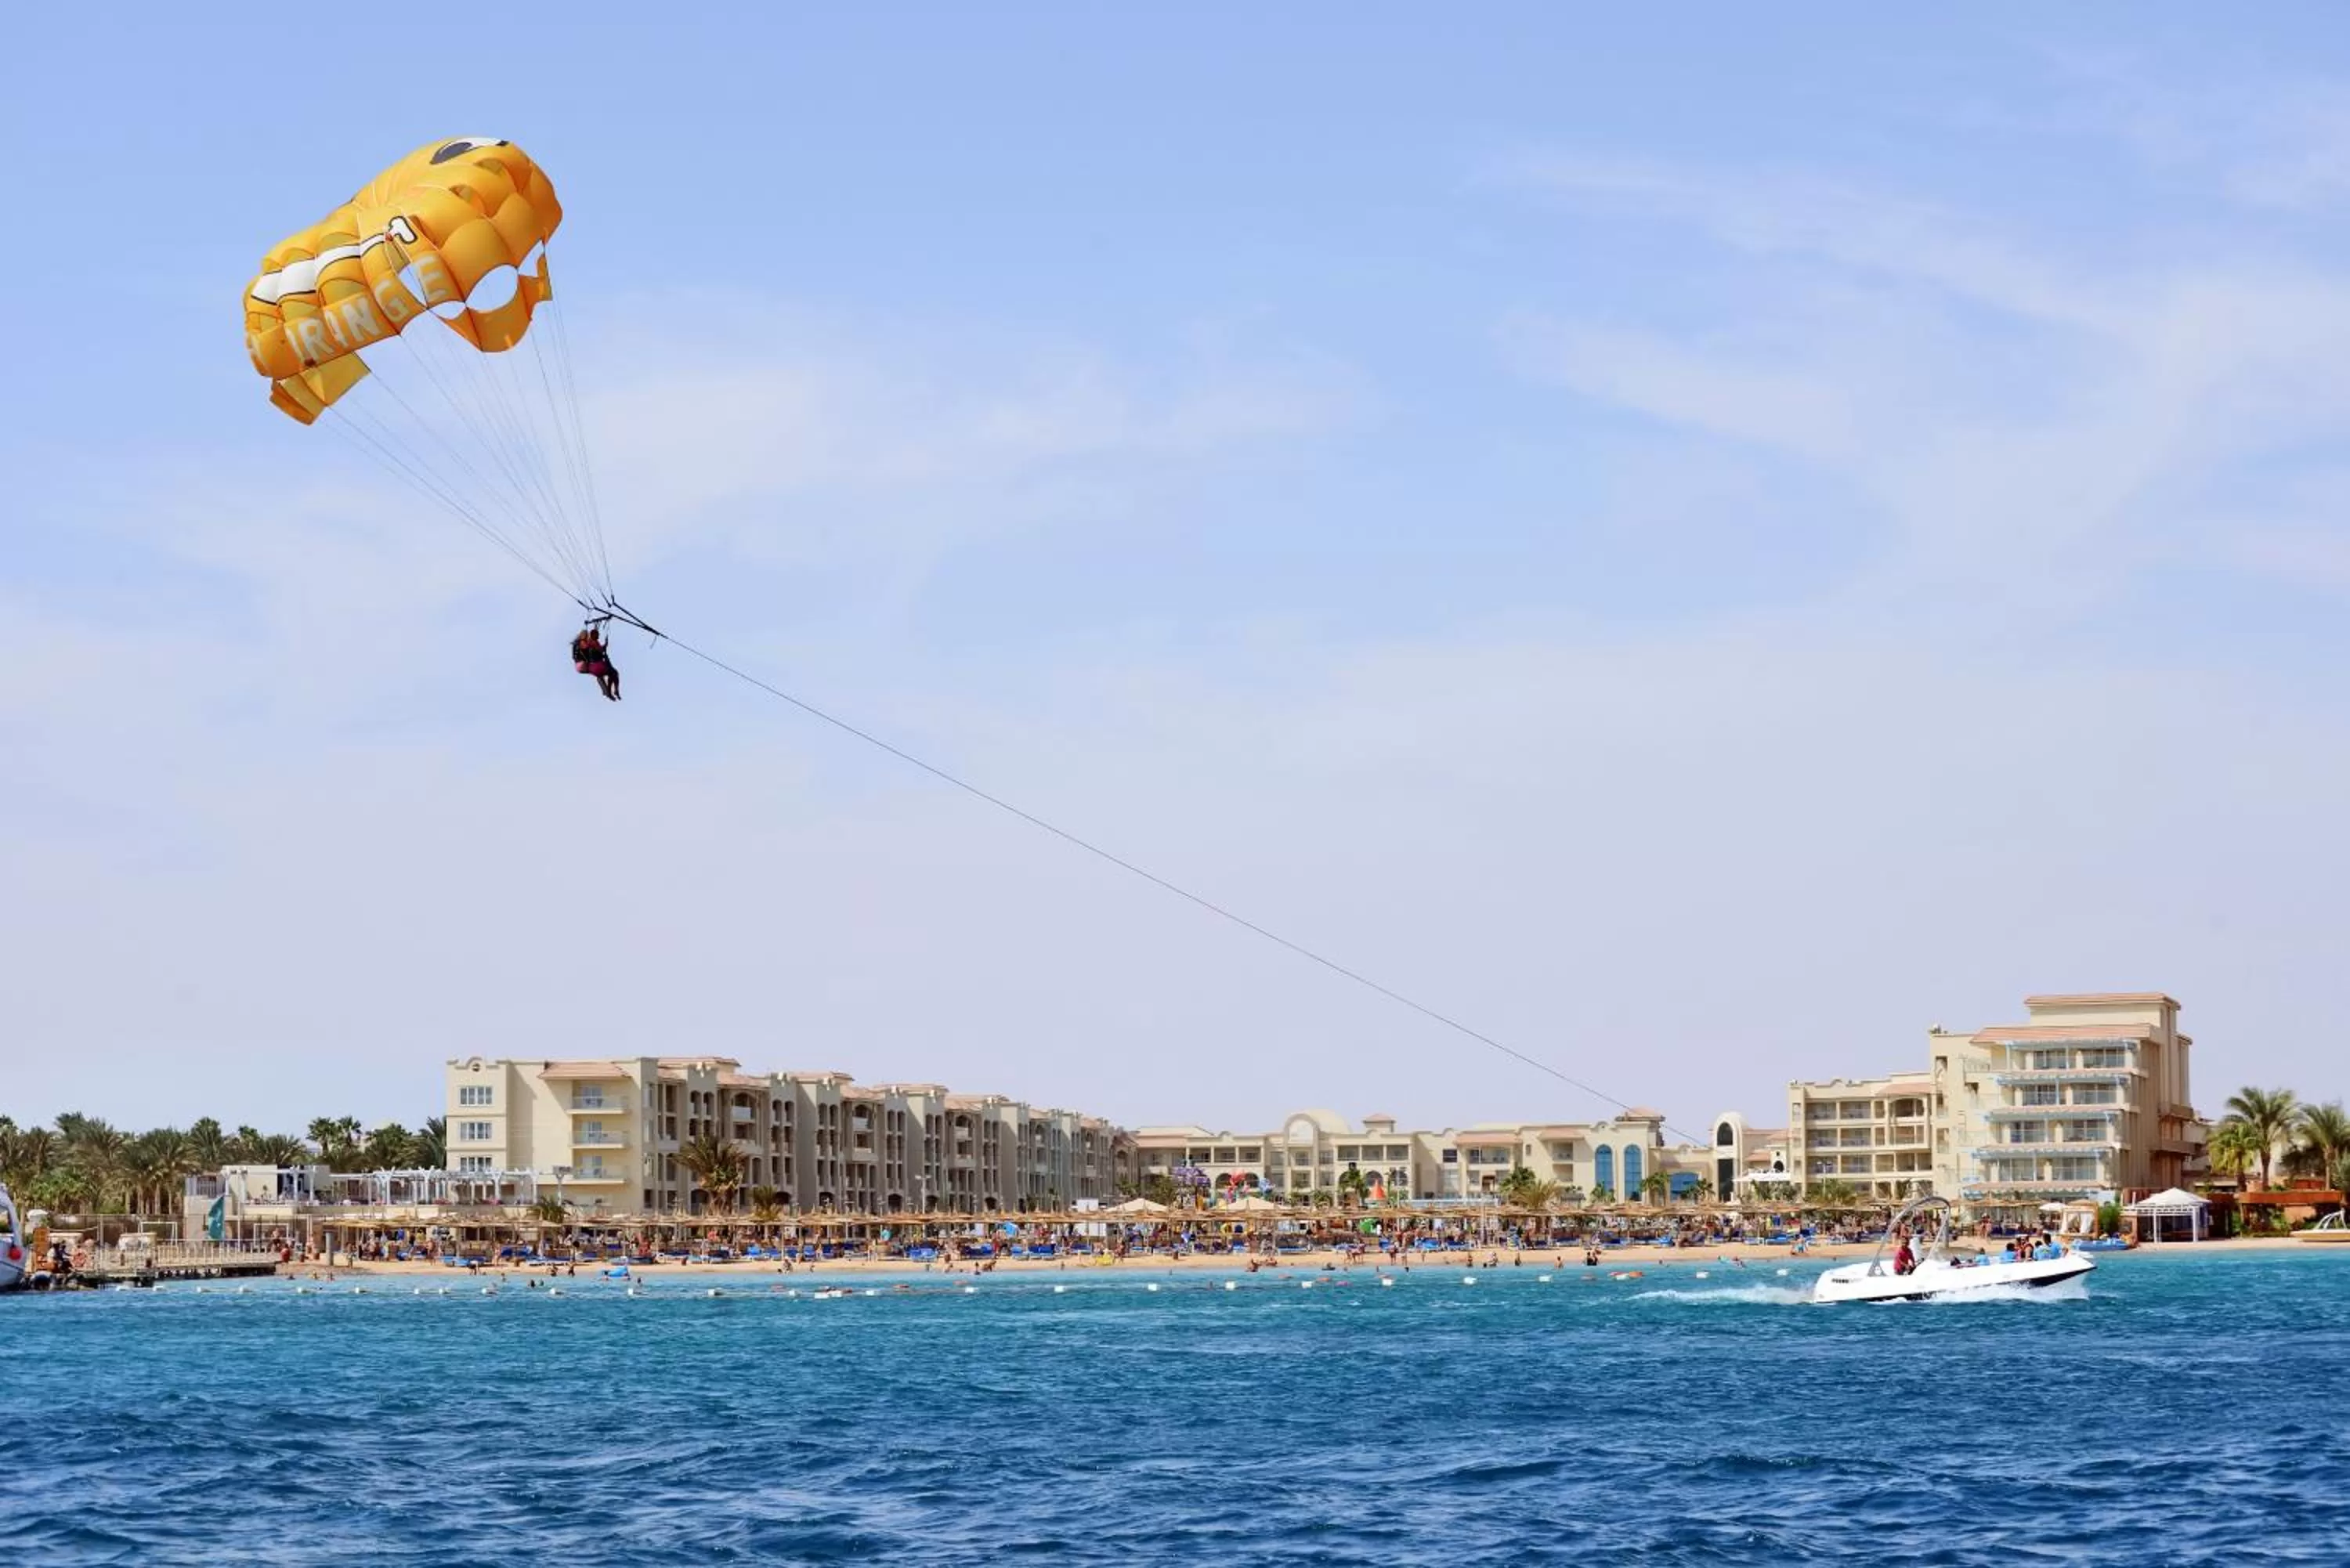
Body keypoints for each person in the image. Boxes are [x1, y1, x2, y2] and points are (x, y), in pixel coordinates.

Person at [570, 623, 621, 701]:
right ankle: (610, 691)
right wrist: (602, 646)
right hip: (585, 665)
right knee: (612, 673)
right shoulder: (585, 643)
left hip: (579, 666)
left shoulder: (576, 644)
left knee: (600, 675)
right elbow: (596, 648)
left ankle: (607, 692)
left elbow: (575, 656)